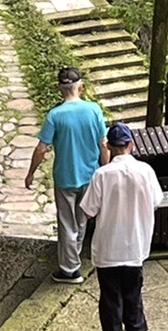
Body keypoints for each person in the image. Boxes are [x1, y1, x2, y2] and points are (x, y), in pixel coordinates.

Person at [78, 121, 160, 331]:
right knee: (133, 291)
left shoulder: (102, 175)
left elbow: (89, 210)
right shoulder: (146, 171)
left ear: (110, 147)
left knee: (110, 296)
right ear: (131, 145)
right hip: (136, 242)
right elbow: (156, 200)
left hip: (109, 245)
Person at [25, 66, 108, 282]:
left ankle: (70, 269)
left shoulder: (55, 115)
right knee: (81, 221)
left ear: (59, 89)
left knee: (66, 223)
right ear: (81, 87)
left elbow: (42, 148)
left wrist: (31, 173)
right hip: (90, 175)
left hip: (65, 177)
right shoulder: (94, 110)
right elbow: (104, 144)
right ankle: (74, 258)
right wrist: (105, 171)